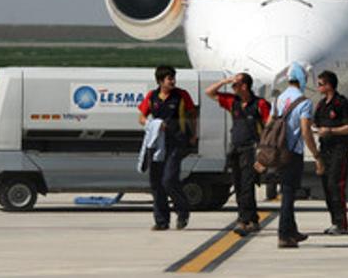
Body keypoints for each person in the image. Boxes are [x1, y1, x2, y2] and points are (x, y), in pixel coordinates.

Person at [206, 72, 271, 235]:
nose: (233, 87)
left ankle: (244, 220)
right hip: (236, 148)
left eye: (236, 84)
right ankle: (253, 219)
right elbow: (209, 92)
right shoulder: (232, 102)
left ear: (245, 86)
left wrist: (264, 151)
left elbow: (269, 127)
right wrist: (225, 80)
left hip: (251, 149)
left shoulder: (260, 104)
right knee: (239, 184)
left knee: (247, 185)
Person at [266, 64, 323, 248]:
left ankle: (292, 231)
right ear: (302, 80)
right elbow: (306, 130)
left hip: (277, 151)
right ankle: (284, 235)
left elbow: (269, 125)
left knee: (287, 191)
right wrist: (316, 154)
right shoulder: (304, 102)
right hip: (293, 153)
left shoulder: (277, 100)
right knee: (289, 194)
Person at [138, 65, 198, 231]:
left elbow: (192, 115)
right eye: (169, 78)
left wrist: (194, 134)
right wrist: (152, 124)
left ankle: (183, 209)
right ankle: (161, 220)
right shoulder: (152, 96)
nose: (172, 81)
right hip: (157, 144)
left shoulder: (181, 95)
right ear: (160, 81)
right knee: (156, 183)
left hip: (176, 143)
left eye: (173, 78)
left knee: (169, 179)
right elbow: (141, 117)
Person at [313, 70, 348, 235]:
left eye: (320, 84)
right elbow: (316, 123)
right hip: (325, 149)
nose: (318, 87)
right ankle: (334, 221)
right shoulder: (321, 105)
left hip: (339, 150)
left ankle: (342, 224)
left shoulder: (342, 104)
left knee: (336, 185)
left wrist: (331, 131)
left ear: (328, 85)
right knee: (327, 186)